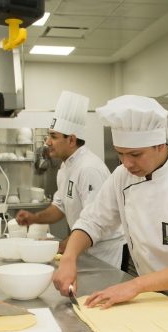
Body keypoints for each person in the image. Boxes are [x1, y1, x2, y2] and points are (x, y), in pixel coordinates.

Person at [53, 95, 168, 316]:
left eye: (135, 154)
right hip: (151, 297)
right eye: (120, 154)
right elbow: (93, 220)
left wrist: (135, 285)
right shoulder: (122, 176)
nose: (127, 163)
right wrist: (69, 258)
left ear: (159, 144)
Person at [15, 91, 125, 268]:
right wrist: (34, 218)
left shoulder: (89, 168)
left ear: (72, 140)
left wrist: (65, 245)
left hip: (102, 255)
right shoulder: (66, 167)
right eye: (48, 136)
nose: (48, 142)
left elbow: (96, 222)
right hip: (82, 249)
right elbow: (59, 207)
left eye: (54, 136)